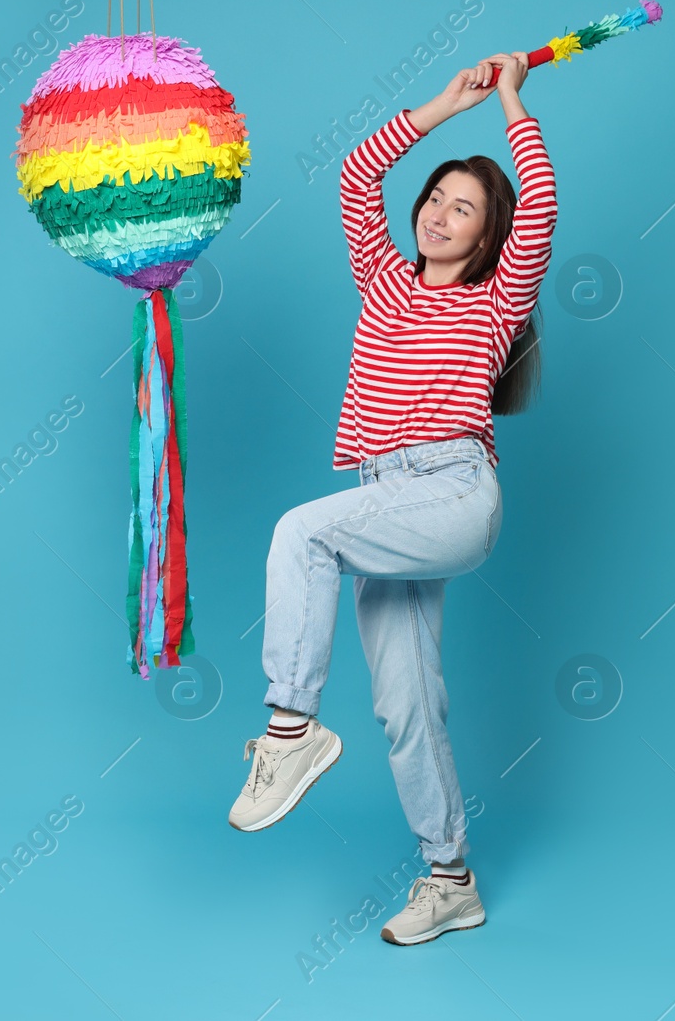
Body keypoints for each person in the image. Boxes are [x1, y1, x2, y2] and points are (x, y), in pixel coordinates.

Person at [227, 50, 555, 946]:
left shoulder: (495, 301)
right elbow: (357, 170)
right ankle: (451, 878)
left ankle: (289, 729)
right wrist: (446, 107)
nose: (442, 213)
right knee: (406, 704)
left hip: (452, 494)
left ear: (490, 237)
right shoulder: (383, 280)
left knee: (302, 531)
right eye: (436, 199)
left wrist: (513, 105)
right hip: (385, 503)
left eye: (465, 207)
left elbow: (544, 212)